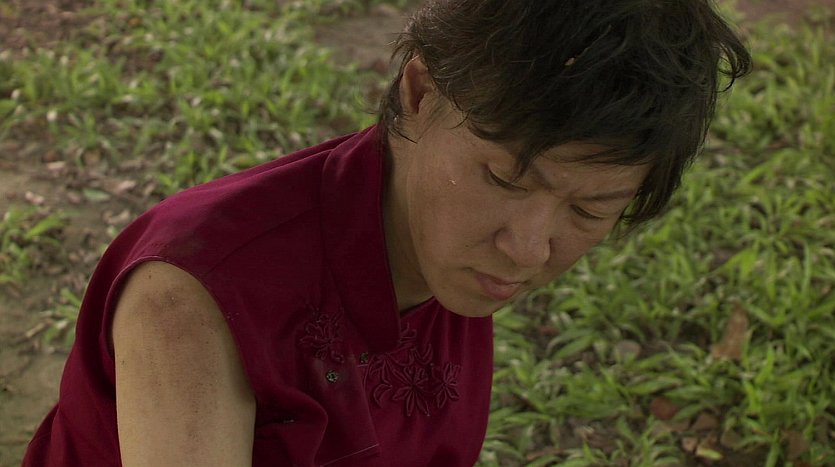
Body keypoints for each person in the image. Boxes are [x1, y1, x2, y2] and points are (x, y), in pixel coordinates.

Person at [22, 0, 751, 465]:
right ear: (420, 92)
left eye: (590, 211)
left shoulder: (441, 241)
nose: (528, 250)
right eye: (503, 180)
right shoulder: (194, 296)